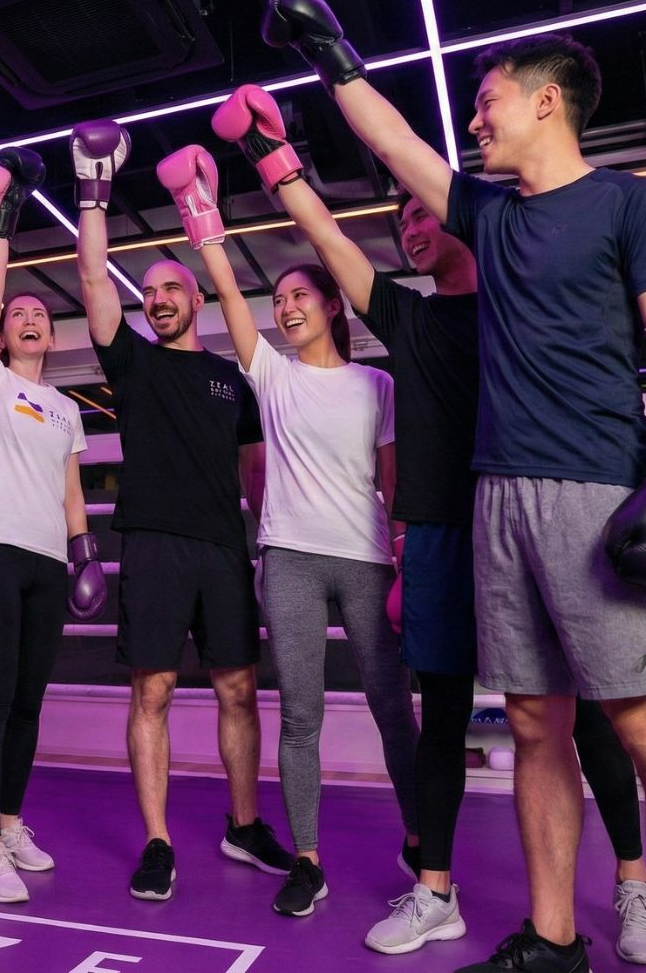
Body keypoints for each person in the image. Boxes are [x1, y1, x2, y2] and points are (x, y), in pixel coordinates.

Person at [265, 0, 646, 973]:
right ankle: (553, 940)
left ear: (547, 102)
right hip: (494, 495)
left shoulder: (632, 204)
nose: (474, 121)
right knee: (528, 723)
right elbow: (394, 145)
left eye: (488, 102)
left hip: (597, 488)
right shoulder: (490, 214)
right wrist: (333, 53)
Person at [160, 124, 420, 919]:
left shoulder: (375, 387)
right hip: (293, 561)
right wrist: (199, 209)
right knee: (299, 714)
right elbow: (230, 293)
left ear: (333, 305)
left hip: (367, 558)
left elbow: (392, 485)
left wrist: (406, 558)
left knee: (391, 709)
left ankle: (425, 844)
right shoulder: (267, 373)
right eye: (281, 300)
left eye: (300, 295)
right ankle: (307, 858)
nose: (285, 305)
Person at [69, 120, 293, 903]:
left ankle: (242, 822)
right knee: (153, 692)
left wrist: (268, 547)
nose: (158, 298)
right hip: (157, 545)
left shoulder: (233, 380)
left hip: (225, 550)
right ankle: (158, 841)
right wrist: (91, 186)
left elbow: (257, 467)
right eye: (151, 291)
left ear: (194, 299)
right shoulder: (129, 362)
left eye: (171, 289)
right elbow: (95, 278)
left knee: (238, 688)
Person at [0, 149, 97, 904]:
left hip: (45, 562)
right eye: (19, 316)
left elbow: (72, 490)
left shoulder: (68, 408)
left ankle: (9, 821)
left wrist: (84, 554)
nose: (29, 318)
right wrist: (4, 218)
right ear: (3, 336)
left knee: (31, 701)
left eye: (41, 314)